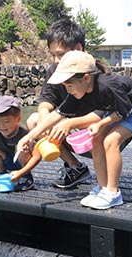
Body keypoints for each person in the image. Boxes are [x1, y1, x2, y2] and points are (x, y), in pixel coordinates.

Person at [19, 50, 132, 209]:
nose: (67, 90)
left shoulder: (108, 85)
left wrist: (100, 124)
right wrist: (30, 136)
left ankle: (113, 192)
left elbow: (124, 111)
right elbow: (57, 114)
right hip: (118, 109)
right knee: (95, 140)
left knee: (111, 141)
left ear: (86, 78)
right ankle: (103, 188)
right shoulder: (78, 92)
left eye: (69, 85)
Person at [25, 17, 93, 189]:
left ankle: (108, 184)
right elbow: (45, 101)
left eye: (61, 55)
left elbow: (106, 114)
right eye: (53, 54)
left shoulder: (93, 70)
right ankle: (75, 167)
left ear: (78, 48)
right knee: (34, 120)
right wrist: (43, 119)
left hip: (99, 129)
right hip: (74, 132)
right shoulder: (54, 70)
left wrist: (69, 124)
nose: (56, 60)